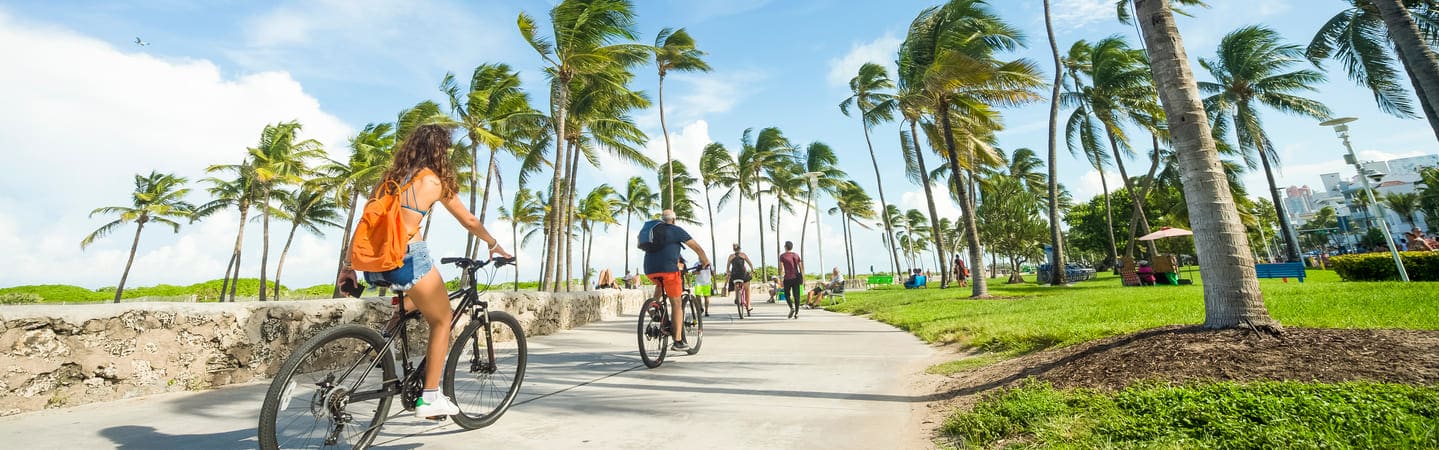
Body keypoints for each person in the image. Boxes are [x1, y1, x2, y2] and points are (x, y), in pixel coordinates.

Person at [339, 124, 512, 420]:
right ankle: (430, 397)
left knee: (417, 301)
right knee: (442, 319)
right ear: (439, 151)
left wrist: (348, 267)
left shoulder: (388, 180)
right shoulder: (433, 181)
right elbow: (469, 220)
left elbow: (365, 222)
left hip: (376, 263)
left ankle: (386, 338)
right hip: (408, 258)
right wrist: (494, 244)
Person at [642, 209, 710, 351]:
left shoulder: (654, 232)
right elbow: (696, 248)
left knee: (660, 285)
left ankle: (654, 308)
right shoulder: (676, 230)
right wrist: (705, 262)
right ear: (673, 220)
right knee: (676, 302)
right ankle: (678, 341)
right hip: (668, 270)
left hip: (649, 270)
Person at [726, 244, 756, 315]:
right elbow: (750, 263)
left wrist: (728, 272)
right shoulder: (743, 255)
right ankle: (748, 305)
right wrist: (752, 270)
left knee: (734, 281)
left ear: (734, 250)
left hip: (734, 275)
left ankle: (737, 296)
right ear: (740, 249)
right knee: (747, 288)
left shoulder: (730, 256)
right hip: (743, 274)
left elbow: (727, 267)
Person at [778, 241, 804, 319]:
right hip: (796, 278)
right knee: (797, 296)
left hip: (787, 278)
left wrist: (780, 278)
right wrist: (803, 278)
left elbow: (781, 268)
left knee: (787, 295)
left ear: (785, 247)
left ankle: (791, 308)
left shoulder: (782, 256)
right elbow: (801, 268)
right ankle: (796, 313)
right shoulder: (796, 255)